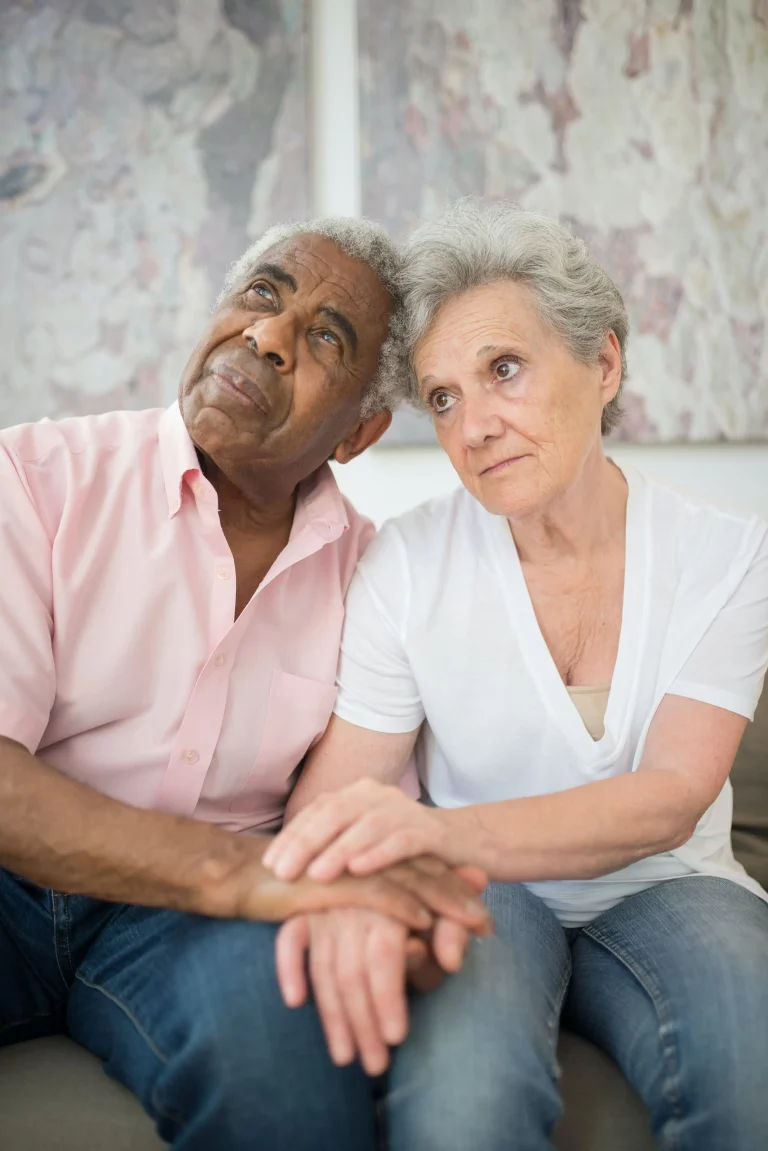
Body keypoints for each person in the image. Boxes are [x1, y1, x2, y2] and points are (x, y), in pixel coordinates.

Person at [266, 201, 768, 1151]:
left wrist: (426, 831)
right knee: (463, 1105)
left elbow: (668, 799)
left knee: (753, 1071)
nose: (476, 426)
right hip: (481, 888)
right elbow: (339, 795)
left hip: (672, 883)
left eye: (504, 370)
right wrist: (339, 889)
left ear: (604, 363)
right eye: (444, 397)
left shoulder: (731, 554)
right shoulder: (405, 564)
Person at [0, 216, 491, 1150]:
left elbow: (361, 820)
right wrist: (239, 872)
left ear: (360, 433)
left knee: (288, 1081)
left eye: (324, 337)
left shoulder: (378, 580)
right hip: (23, 885)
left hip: (196, 930)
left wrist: (397, 918)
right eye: (261, 296)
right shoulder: (30, 476)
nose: (267, 335)